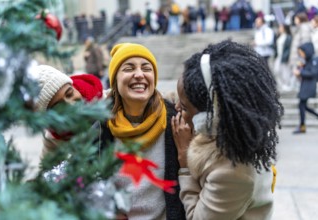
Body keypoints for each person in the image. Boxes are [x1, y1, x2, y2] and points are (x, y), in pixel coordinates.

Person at [171, 40, 283, 219]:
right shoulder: (236, 129)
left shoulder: (233, 174)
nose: (176, 107)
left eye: (184, 107)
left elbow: (195, 217)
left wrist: (184, 162)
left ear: (209, 119)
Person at [106, 43, 185, 219]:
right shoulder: (101, 128)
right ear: (115, 80)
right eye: (128, 68)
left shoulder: (175, 120)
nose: (139, 75)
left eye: (146, 68)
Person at [34, 65, 105, 155]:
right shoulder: (52, 140)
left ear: (74, 87)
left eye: (70, 94)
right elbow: (46, 167)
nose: (71, 104)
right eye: (59, 105)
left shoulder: (110, 103)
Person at [293, 42, 318, 134]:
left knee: (302, 105)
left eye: (302, 52)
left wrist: (300, 73)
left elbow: (314, 73)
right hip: (305, 85)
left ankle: (302, 126)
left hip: (309, 86)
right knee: (302, 105)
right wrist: (300, 67)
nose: (301, 55)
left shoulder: (314, 60)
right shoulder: (308, 60)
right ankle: (302, 126)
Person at [273, 23, 292, 91]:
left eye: (281, 27)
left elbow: (288, 48)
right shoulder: (279, 36)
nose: (279, 29)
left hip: (285, 56)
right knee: (276, 71)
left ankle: (286, 84)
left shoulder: (288, 37)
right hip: (279, 56)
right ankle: (281, 84)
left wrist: (286, 56)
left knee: (285, 71)